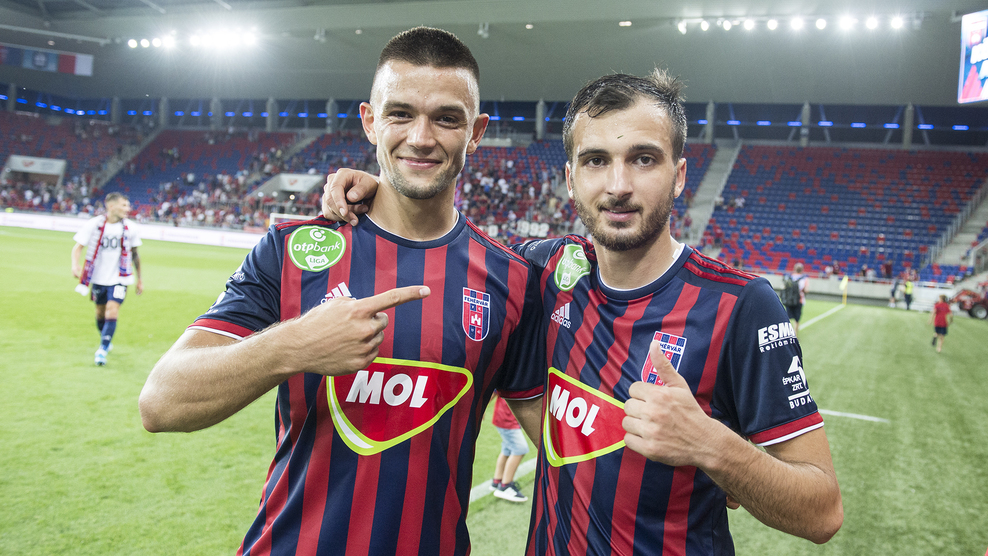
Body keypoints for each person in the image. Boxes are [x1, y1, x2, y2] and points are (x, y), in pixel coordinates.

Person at [323, 69, 842, 554]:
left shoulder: (740, 304)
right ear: (570, 179)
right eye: (596, 160)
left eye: (644, 159)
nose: (618, 185)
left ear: (680, 175)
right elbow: (452, 250)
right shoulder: (543, 271)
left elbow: (822, 513)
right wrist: (378, 191)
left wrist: (714, 447)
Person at [139, 27, 544, 556]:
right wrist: (291, 345)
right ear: (370, 121)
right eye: (400, 114)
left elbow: (563, 450)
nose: (421, 137)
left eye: (447, 118)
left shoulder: (512, 279)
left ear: (476, 132)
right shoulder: (293, 249)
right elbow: (161, 403)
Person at [70, 192, 143, 366]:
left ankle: (102, 349)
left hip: (120, 278)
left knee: (112, 310)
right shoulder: (94, 224)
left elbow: (135, 254)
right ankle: (106, 338)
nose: (127, 209)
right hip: (98, 278)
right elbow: (78, 247)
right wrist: (75, 265)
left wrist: (139, 279)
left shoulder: (131, 228)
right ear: (111, 206)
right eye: (123, 205)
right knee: (100, 312)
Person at [489, 394, 530, 502]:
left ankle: (497, 481)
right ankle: (505, 486)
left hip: (506, 416)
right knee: (520, 449)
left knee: (507, 449)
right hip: (506, 418)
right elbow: (493, 391)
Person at [783, 262, 809, 337]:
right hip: (799, 300)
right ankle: (795, 335)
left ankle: (787, 334)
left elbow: (784, 288)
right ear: (802, 270)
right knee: (797, 318)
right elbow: (806, 290)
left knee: (788, 317)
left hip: (789, 300)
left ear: (794, 269)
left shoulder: (789, 277)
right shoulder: (804, 279)